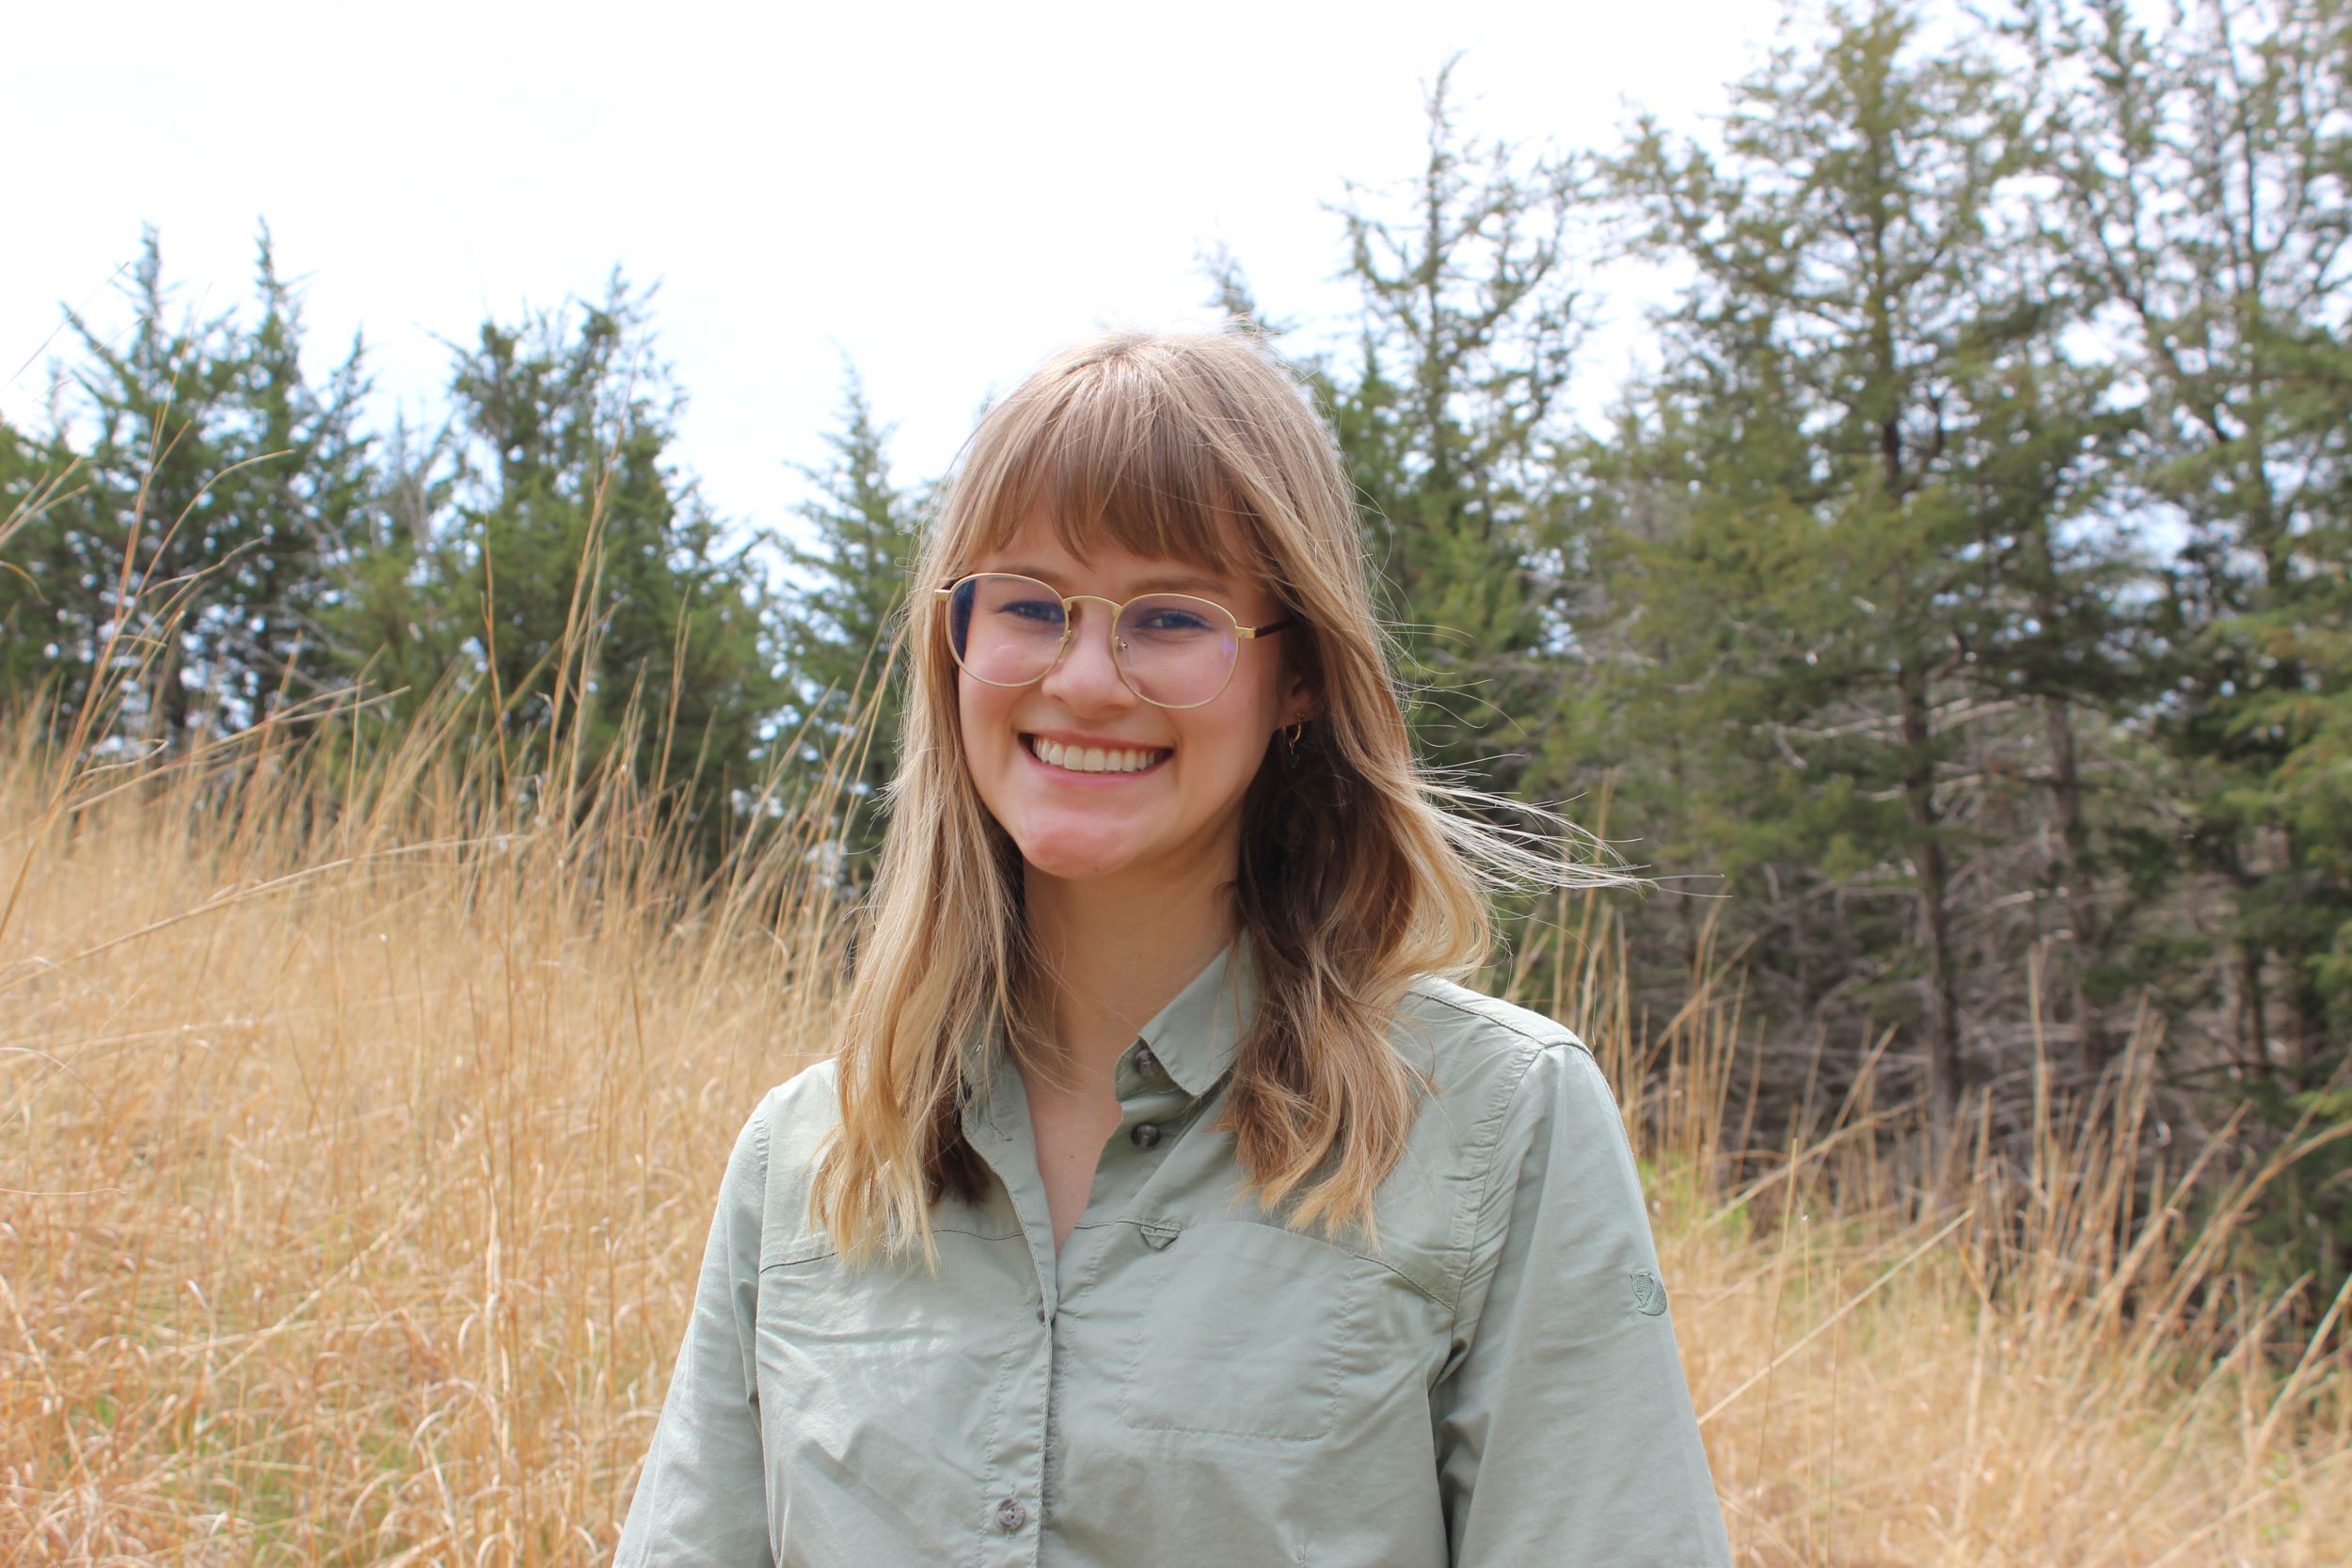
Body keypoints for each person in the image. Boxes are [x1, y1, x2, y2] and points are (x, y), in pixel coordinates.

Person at [613, 327, 1733, 1567]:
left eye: (1170, 617)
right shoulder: (806, 1160)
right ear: (957, 644)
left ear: (1297, 674)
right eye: (1030, 605)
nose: (1086, 680)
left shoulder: (1496, 1123)